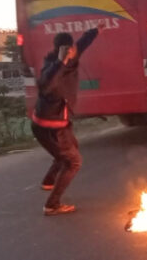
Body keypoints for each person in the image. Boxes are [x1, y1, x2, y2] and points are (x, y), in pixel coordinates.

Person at [32, 23, 103, 216]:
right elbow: (45, 86)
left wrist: (96, 30)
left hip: (56, 121)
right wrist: (61, 62)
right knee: (73, 162)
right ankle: (52, 205)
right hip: (50, 125)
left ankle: (48, 182)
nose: (73, 52)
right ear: (60, 50)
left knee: (71, 148)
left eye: (72, 49)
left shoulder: (73, 56)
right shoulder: (52, 66)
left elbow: (83, 42)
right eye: (68, 50)